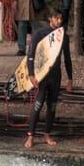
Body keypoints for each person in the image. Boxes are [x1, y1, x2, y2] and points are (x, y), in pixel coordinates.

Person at [24, 8, 73, 149]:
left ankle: (47, 135)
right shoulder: (39, 34)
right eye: (56, 18)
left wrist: (70, 78)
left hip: (56, 75)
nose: (59, 21)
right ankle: (30, 136)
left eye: (61, 18)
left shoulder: (64, 36)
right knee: (38, 105)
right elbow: (30, 55)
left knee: (52, 106)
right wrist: (31, 75)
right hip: (42, 76)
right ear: (50, 18)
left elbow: (67, 58)